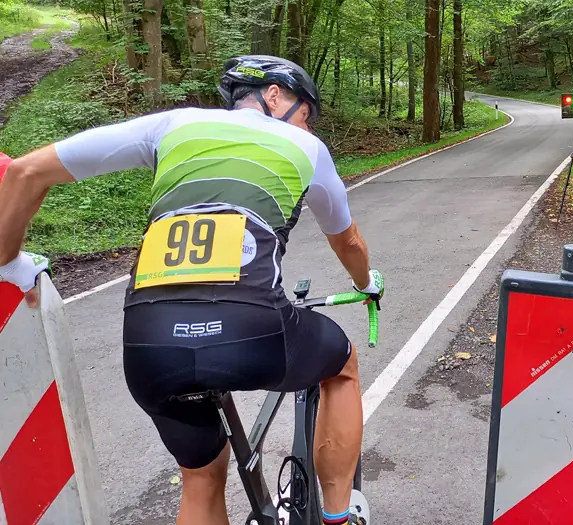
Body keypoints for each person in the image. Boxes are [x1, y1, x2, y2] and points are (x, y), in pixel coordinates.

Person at [0, 55, 382, 525]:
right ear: (275, 96)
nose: (305, 128)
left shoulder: (172, 125)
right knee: (341, 365)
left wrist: (11, 266)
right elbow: (348, 241)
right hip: (253, 331)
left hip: (150, 347)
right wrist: (367, 285)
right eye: (305, 116)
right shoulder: (306, 149)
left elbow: (23, 173)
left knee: (201, 479)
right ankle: (340, 515)